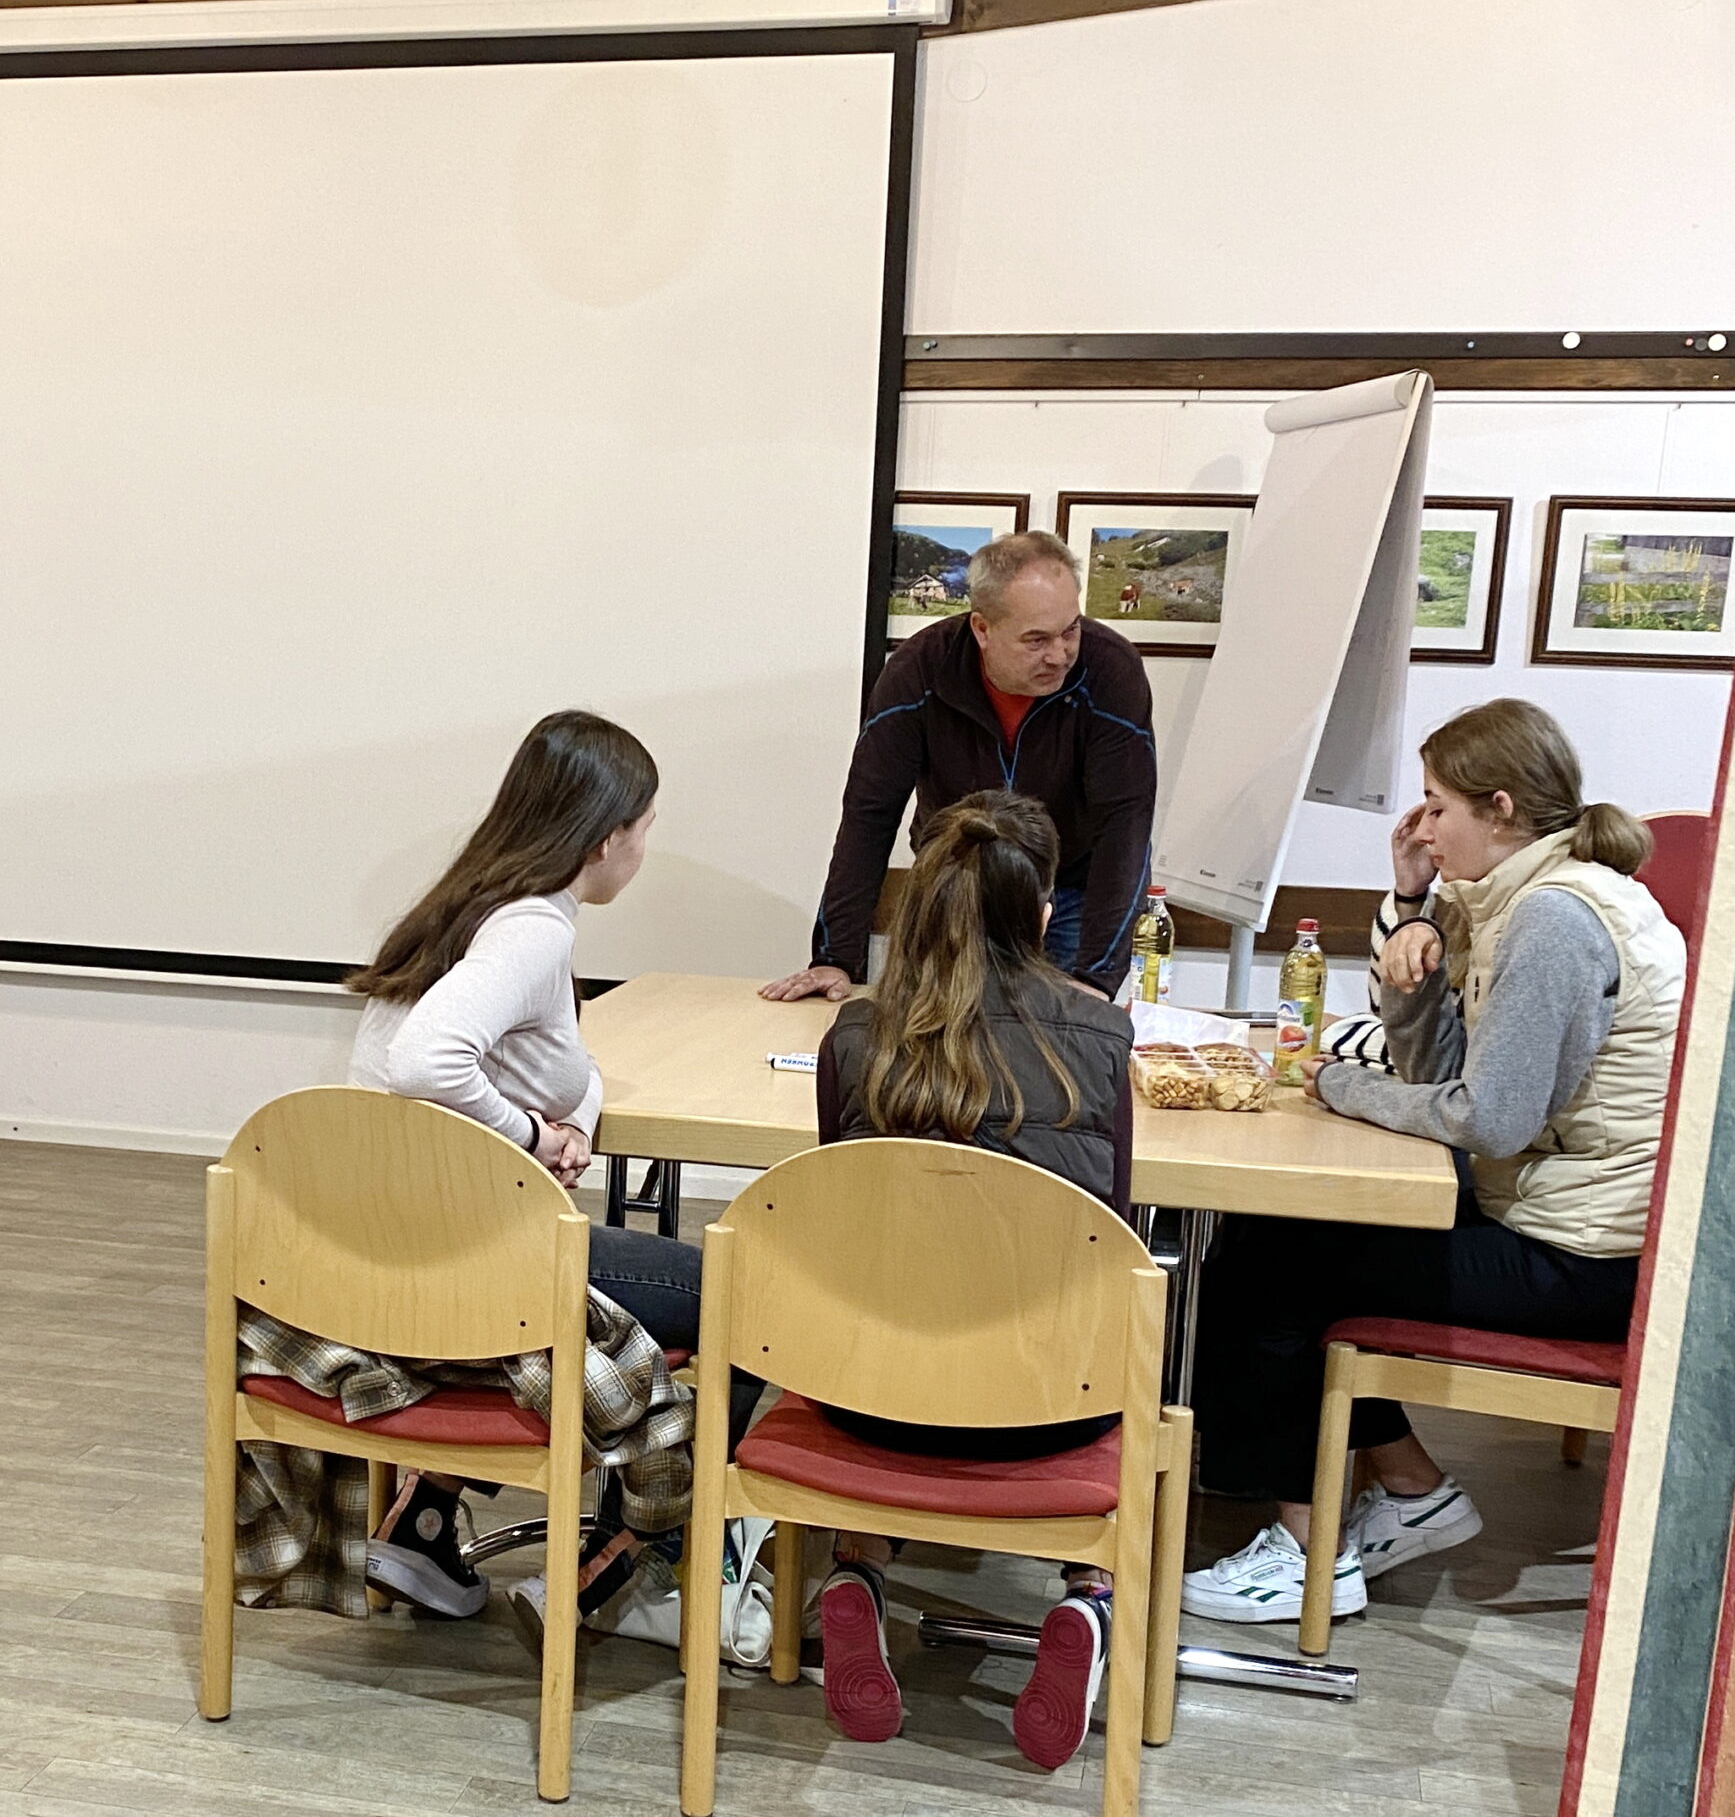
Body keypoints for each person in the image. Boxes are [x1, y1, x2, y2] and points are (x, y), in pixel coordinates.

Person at [1182, 698, 1683, 1624]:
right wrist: (1410, 910)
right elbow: (1435, 1076)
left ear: (1500, 808)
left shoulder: (1553, 921)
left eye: (1437, 806)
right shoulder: (1517, 898)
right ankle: (1412, 1491)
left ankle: (1304, 1553)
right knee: (1293, 1237)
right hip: (1559, 1218)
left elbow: (1488, 1119)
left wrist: (1340, 1085)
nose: (1422, 828)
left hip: (1588, 1258)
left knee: (1270, 1267)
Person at [338, 709, 764, 1644]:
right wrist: (530, 1132)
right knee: (749, 1300)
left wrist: (564, 1112)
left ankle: (422, 1522)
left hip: (377, 1257)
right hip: (473, 1262)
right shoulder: (532, 930)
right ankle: (634, 1568)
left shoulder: (466, 906)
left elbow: (554, 1063)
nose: (645, 847)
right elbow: (425, 1060)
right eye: (646, 827)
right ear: (607, 837)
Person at [809, 790, 1138, 1770]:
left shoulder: (856, 1036)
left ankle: (857, 1568)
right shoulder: (1100, 1036)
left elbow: (841, 1232)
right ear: (1040, 910)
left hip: (873, 1400)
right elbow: (1111, 1239)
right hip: (1050, 1407)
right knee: (1109, 1316)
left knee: (887, 1302)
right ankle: (1088, 1595)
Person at [763, 529, 1156, 1005]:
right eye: (1036, 640)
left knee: (1057, 1032)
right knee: (937, 1026)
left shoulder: (1111, 670)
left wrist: (1095, 980)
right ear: (982, 629)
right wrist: (835, 958)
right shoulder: (919, 671)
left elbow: (1126, 826)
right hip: (957, 880)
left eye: (1070, 630)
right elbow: (870, 815)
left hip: (1073, 886)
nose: (1059, 656)